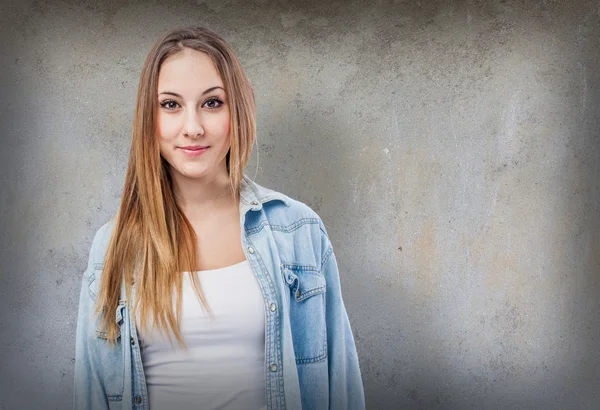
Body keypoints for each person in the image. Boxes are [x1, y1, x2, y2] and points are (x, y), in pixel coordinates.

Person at [73, 26, 365, 410]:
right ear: (149, 118)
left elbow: (340, 388)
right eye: (171, 105)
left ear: (236, 110)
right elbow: (91, 395)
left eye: (212, 103)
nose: (192, 128)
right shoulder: (112, 248)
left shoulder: (298, 231)